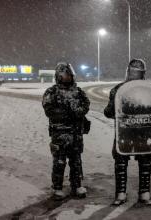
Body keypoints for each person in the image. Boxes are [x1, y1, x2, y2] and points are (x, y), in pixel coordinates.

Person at [104, 59, 151, 206]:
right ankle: (144, 193)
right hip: (143, 133)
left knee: (121, 163)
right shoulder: (150, 89)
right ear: (143, 73)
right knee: (144, 163)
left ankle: (121, 193)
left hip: (125, 133)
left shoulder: (118, 89)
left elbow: (109, 112)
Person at [42, 62, 90, 200]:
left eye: (69, 75)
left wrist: (79, 112)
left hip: (76, 134)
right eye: (65, 75)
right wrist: (69, 114)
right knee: (59, 162)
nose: (68, 77)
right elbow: (49, 110)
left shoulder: (78, 91)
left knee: (76, 161)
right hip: (60, 134)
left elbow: (86, 104)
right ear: (58, 76)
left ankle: (77, 186)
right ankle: (57, 188)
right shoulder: (52, 92)